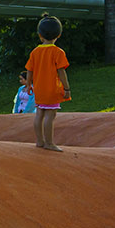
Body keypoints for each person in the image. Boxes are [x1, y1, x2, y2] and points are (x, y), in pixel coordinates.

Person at [25, 16, 71, 152]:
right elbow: (62, 72)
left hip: (39, 89)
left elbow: (29, 70)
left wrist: (28, 85)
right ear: (58, 35)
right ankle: (49, 143)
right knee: (50, 116)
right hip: (52, 89)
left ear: (40, 35)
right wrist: (67, 88)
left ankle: (40, 141)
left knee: (39, 114)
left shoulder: (35, 52)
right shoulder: (58, 52)